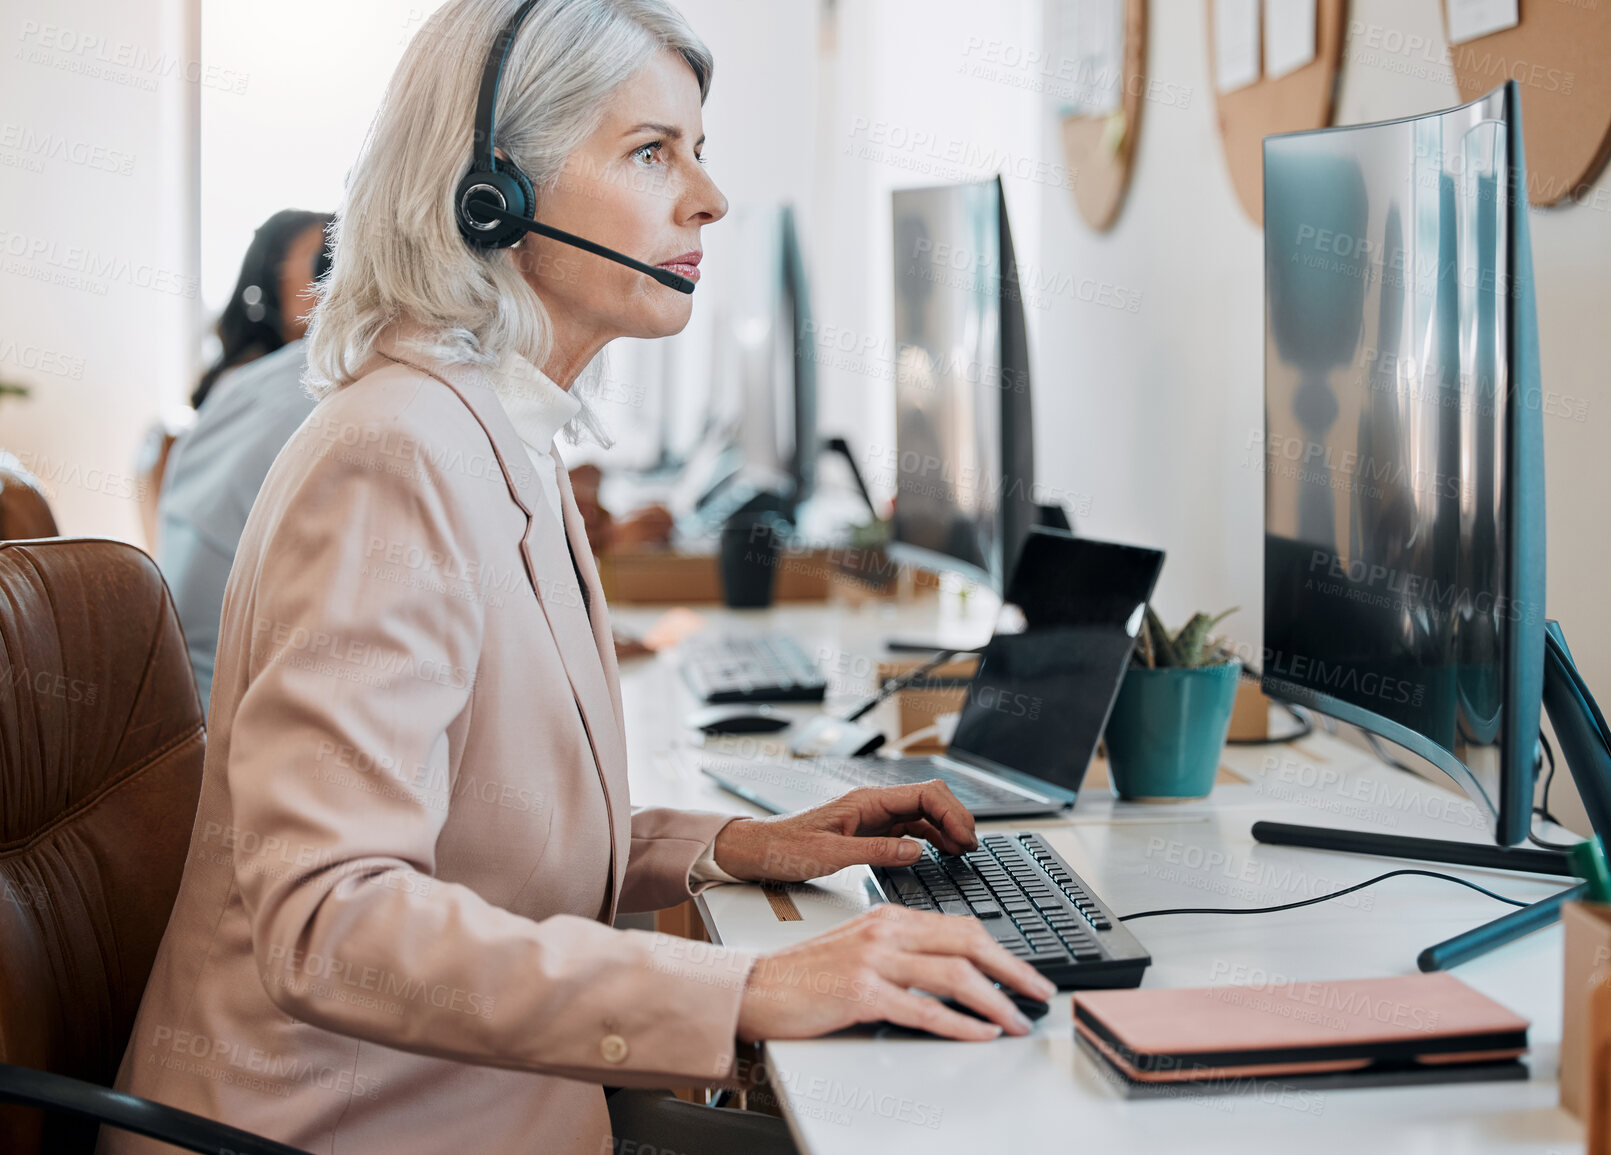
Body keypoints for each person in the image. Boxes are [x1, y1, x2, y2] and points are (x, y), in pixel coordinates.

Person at [100, 4, 1053, 1154]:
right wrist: (742, 993)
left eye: (696, 152)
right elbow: (328, 918)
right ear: (492, 192)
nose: (708, 198)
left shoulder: (499, 433)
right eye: (653, 152)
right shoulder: (392, 457)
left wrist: (739, 845)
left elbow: (486, 834)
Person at [155, 210, 333, 709]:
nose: (336, 284)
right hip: (213, 707)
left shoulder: (269, 389)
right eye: (322, 266)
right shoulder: (293, 391)